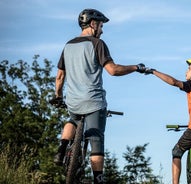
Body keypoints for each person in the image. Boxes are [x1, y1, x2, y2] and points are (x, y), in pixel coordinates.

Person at [51, 8, 146, 184]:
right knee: (95, 138)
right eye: (101, 26)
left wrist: (58, 96)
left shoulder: (68, 46)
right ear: (93, 24)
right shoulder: (97, 44)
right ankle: (98, 178)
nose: (102, 30)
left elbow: (59, 76)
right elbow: (113, 70)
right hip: (93, 101)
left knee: (72, 120)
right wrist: (136, 68)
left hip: (73, 101)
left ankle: (61, 149)